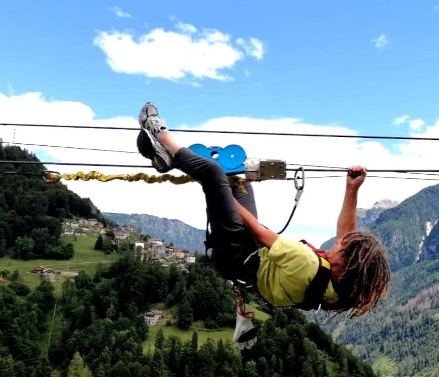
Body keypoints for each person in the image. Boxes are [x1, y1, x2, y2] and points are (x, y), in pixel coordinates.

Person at [137, 102, 391, 318]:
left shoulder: (305, 262)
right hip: (249, 260)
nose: (339, 243)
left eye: (342, 248)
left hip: (235, 253)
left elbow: (258, 231)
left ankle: (160, 134)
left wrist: (221, 192)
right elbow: (347, 235)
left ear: (344, 266)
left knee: (213, 175)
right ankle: (169, 158)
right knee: (240, 183)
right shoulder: (341, 290)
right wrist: (352, 189)